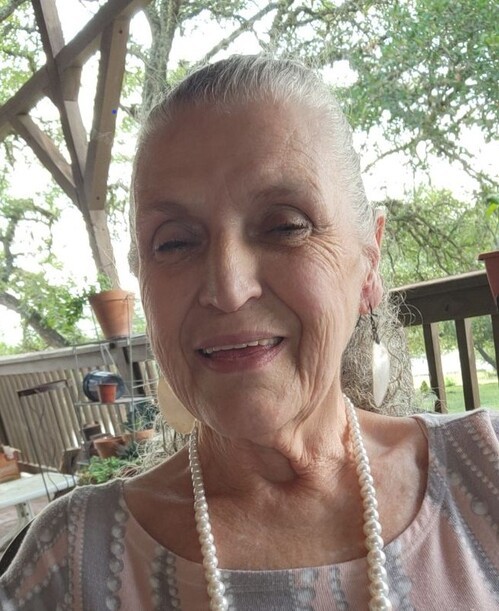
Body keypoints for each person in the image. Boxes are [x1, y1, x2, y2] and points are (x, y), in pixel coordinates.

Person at [1, 55, 498, 611]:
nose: (228, 289)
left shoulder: (488, 470)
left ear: (368, 262)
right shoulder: (72, 564)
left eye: (285, 226)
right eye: (174, 241)